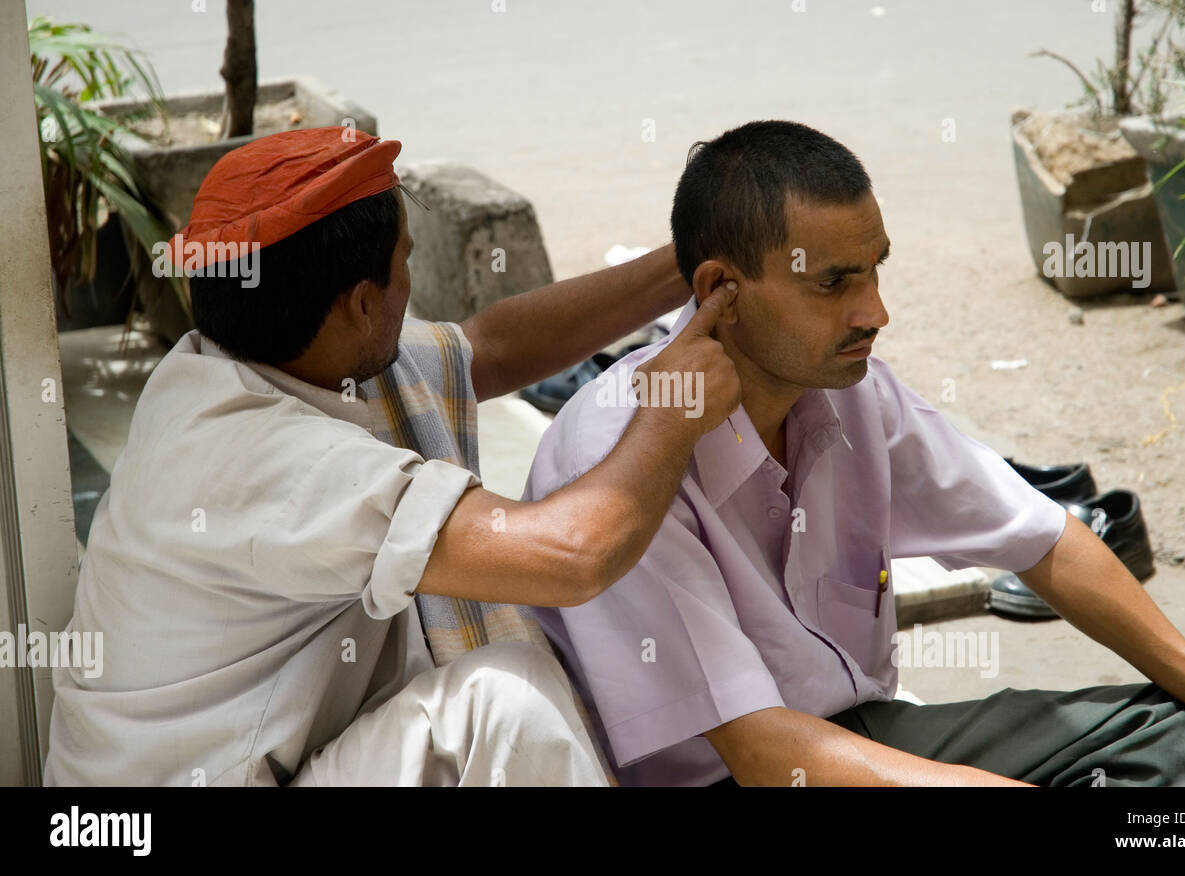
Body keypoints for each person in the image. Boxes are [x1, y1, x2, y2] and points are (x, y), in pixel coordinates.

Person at [524, 120, 1185, 787]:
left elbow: (1044, 539)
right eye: (833, 283)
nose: (876, 313)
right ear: (722, 288)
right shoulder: (621, 451)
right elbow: (762, 755)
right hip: (737, 776)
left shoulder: (849, 388)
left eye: (874, 270)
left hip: (854, 736)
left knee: (1181, 742)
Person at [44, 126, 739, 786]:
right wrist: (668, 415)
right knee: (508, 705)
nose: (412, 287)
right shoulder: (268, 463)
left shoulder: (243, 362)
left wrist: (688, 264)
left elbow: (487, 348)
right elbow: (573, 556)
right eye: (405, 261)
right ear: (361, 307)